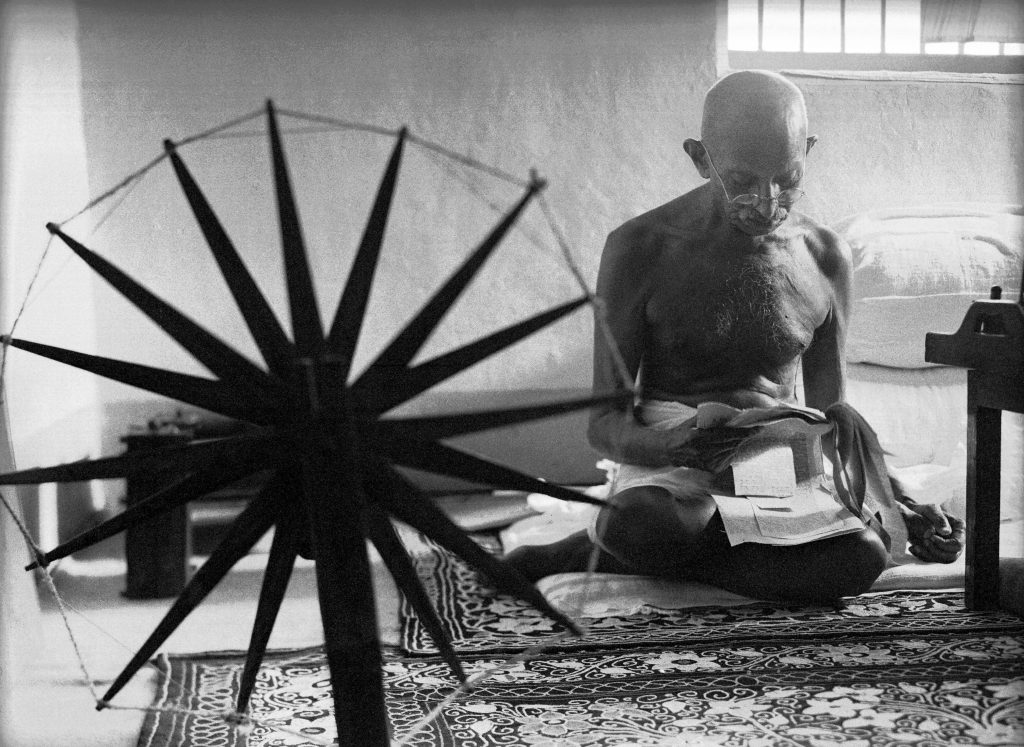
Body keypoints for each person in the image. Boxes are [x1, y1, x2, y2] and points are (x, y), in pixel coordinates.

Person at [504, 70, 964, 603]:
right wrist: (669, 445)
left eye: (788, 178)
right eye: (742, 180)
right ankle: (658, 545)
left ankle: (617, 553)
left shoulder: (827, 257)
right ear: (701, 159)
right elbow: (604, 423)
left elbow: (834, 414)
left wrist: (900, 499)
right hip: (675, 465)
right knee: (641, 521)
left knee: (867, 554)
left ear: (808, 151)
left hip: (782, 462)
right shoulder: (640, 248)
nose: (767, 202)